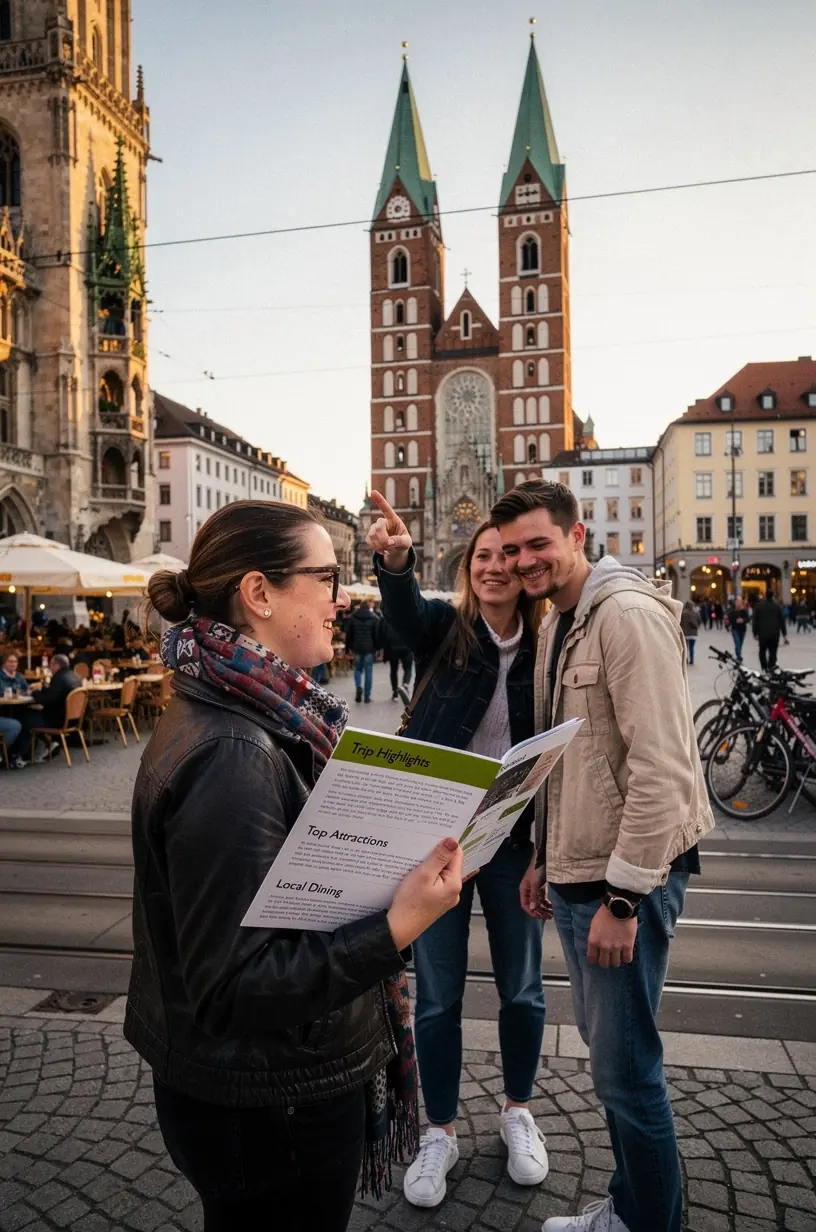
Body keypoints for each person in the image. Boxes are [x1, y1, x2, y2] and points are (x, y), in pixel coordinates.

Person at [124, 499, 464, 1232]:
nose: (342, 598)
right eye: (327, 577)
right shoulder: (234, 749)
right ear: (259, 594)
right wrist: (396, 925)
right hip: (266, 1102)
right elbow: (231, 988)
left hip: (258, 1089)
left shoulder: (251, 708)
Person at [492, 481, 713, 1232]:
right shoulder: (561, 619)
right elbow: (570, 755)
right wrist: (539, 858)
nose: (523, 561)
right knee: (612, 1065)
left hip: (628, 881)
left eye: (536, 544)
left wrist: (623, 900)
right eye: (512, 549)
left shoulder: (624, 615)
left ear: (577, 534)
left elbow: (664, 770)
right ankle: (632, 1206)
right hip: (579, 869)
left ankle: (649, 1223)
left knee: (626, 1074)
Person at [367, 490, 550, 1209]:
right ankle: (437, 1131)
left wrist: (546, 847)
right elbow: (405, 613)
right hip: (438, 839)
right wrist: (398, 563)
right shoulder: (448, 630)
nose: (497, 567)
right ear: (469, 566)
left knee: (523, 988)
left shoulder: (550, 642)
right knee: (437, 997)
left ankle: (517, 1111)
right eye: (484, 556)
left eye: (509, 555)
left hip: (513, 838)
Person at [10, 654, 82, 765]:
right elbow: (56, 694)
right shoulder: (75, 676)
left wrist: (34, 693)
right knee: (28, 715)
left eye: (51, 666)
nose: (50, 668)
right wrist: (42, 688)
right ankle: (45, 745)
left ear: (56, 665)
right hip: (72, 719)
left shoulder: (58, 678)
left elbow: (48, 700)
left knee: (21, 717)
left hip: (55, 720)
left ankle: (20, 753)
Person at [345, 597, 380, 703]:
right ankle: (367, 696)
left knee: (358, 669)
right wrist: (377, 648)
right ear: (368, 606)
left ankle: (359, 687)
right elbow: (376, 635)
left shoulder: (353, 617)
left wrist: (348, 648)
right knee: (368, 671)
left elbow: (349, 634)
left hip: (357, 647)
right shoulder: (374, 618)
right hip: (369, 648)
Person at [752, 589, 788, 672]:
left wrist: (755, 633)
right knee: (773, 651)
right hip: (774, 633)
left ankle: (764, 667)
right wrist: (784, 635)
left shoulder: (759, 606)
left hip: (763, 633)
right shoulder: (777, 606)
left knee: (762, 650)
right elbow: (782, 621)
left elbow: (755, 620)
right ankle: (771, 665)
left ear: (765, 595)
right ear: (773, 595)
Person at [381, 619, 414, 701]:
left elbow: (382, 633)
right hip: (406, 646)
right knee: (408, 668)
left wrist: (382, 646)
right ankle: (405, 684)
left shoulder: (386, 617)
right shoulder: (407, 615)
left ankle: (395, 691)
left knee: (393, 670)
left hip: (392, 647)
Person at [725, 595, 750, 661]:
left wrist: (743, 620)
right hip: (735, 629)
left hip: (743, 630)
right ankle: (739, 657)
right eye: (737, 602)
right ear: (735, 603)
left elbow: (748, 619)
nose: (738, 603)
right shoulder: (732, 612)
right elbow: (728, 620)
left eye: (740, 601)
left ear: (741, 603)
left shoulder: (744, 611)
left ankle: (738, 655)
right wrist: (727, 625)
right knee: (737, 643)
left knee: (739, 645)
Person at [679, 600, 699, 665]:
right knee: (692, 647)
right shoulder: (696, 613)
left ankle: (685, 660)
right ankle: (692, 660)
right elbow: (699, 622)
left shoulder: (683, 613)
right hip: (693, 633)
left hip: (685, 633)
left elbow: (679, 622)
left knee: (685, 648)